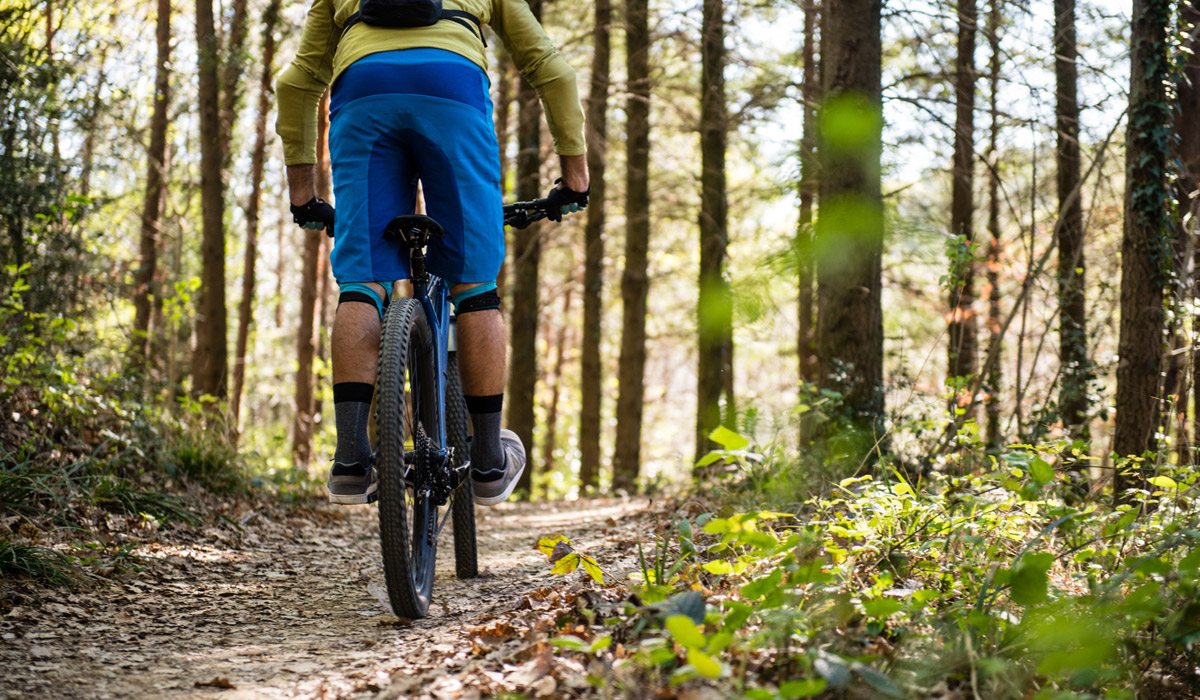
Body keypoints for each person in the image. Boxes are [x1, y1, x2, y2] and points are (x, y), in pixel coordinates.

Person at [275, 0, 589, 506]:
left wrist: (303, 193)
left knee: (362, 282)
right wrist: (575, 178)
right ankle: (487, 462)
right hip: (452, 92)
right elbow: (552, 71)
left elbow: (297, 83)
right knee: (475, 286)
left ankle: (352, 459)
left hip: (363, 94)